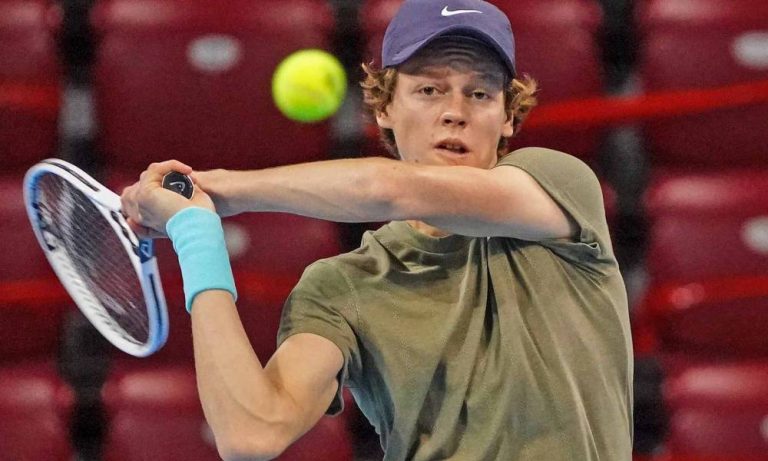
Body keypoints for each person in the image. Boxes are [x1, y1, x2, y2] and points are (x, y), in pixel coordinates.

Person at [120, 0, 634, 459]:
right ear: (385, 107)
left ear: (507, 118)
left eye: (479, 93)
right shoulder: (341, 288)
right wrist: (197, 234)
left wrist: (223, 188)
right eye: (429, 89)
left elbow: (388, 189)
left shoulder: (560, 187)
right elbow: (250, 435)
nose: (455, 113)